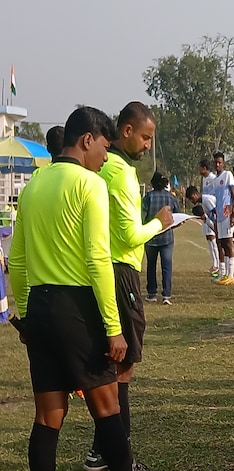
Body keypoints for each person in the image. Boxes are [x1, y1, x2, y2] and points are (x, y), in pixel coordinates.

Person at [9, 107, 140, 471]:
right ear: (87, 140)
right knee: (107, 407)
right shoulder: (90, 184)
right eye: (104, 147)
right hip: (77, 309)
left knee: (49, 416)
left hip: (41, 307)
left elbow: (16, 261)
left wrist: (26, 317)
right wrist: (113, 328)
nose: (105, 157)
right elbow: (98, 259)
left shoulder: (35, 184)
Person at [87, 101, 173, 471]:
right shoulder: (119, 172)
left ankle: (100, 451)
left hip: (99, 272)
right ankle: (116, 456)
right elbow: (128, 234)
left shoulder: (99, 170)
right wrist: (161, 223)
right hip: (121, 272)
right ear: (126, 131)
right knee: (122, 368)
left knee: (110, 364)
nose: (147, 146)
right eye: (145, 137)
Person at [142, 172, 180, 305]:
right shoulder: (171, 197)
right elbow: (177, 215)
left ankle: (152, 293)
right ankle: (166, 295)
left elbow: (143, 215)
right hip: (167, 237)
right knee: (166, 266)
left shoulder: (148, 197)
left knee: (151, 265)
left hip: (151, 236)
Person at [212, 151, 234, 286]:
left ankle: (231, 275)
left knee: (229, 243)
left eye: (220, 162)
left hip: (227, 214)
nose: (217, 164)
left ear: (223, 163)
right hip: (219, 215)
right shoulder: (215, 181)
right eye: (215, 162)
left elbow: (233, 193)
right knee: (221, 243)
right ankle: (225, 273)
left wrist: (233, 210)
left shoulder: (228, 175)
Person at [197, 159, 219, 278]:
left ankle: (217, 264)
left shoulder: (213, 178)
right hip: (205, 210)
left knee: (213, 237)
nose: (199, 170)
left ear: (205, 168)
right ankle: (214, 262)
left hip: (212, 210)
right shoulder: (204, 179)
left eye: (200, 167)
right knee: (208, 238)